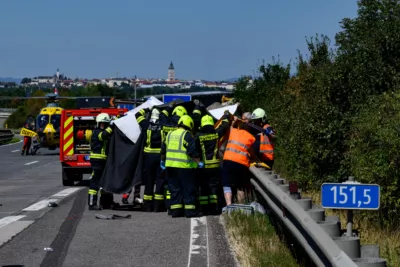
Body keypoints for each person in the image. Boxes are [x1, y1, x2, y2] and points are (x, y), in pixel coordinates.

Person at [161, 115, 202, 218]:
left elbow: (163, 150)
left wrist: (162, 161)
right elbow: (192, 151)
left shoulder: (170, 134)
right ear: (189, 125)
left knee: (175, 190)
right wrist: (198, 162)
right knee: (188, 189)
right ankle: (190, 212)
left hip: (170, 167)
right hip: (184, 167)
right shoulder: (187, 135)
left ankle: (176, 212)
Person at [195, 113, 231, 215]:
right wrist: (226, 116)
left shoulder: (198, 136)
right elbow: (224, 126)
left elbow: (195, 150)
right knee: (214, 187)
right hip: (215, 166)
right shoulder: (216, 134)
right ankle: (214, 209)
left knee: (204, 188)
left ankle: (204, 209)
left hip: (203, 166)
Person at [221, 122, 257, 209]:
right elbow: (252, 153)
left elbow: (229, 126)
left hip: (228, 160)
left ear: (239, 127)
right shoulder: (251, 137)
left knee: (227, 183)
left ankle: (229, 205)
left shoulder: (233, 131)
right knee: (240, 186)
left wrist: (234, 121)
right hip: (241, 163)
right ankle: (240, 206)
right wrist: (255, 159)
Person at [88, 113, 118, 210]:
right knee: (95, 182)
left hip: (103, 160)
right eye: (101, 123)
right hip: (97, 160)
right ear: (98, 124)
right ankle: (92, 204)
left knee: (105, 182)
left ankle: (106, 203)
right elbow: (103, 136)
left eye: (104, 124)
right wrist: (111, 125)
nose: (102, 125)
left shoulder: (104, 131)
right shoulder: (97, 132)